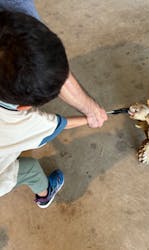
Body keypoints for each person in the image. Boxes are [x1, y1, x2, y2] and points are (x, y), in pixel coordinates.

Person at [0, 1, 108, 208]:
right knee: (30, 169)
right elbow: (58, 125)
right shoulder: (20, 124)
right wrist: (88, 118)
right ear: (24, 107)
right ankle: (45, 194)